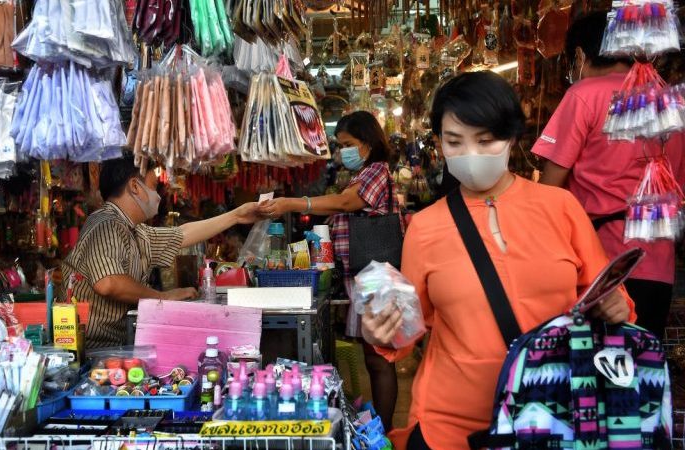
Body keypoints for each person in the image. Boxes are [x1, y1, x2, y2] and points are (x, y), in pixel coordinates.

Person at [361, 71, 637, 450]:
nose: (470, 155)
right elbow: (409, 328)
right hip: (452, 427)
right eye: (454, 142)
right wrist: (382, 333)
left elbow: (610, 293)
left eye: (486, 140)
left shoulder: (561, 208)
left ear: (511, 138)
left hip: (551, 417)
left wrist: (616, 306)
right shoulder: (424, 227)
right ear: (439, 143)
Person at [532, 12, 685, 338]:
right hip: (658, 266)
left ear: (579, 56)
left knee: (596, 373)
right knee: (642, 371)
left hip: (601, 266)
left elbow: (548, 191)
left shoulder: (585, 94)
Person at [259, 111, 401, 431]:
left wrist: (293, 204)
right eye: (339, 146)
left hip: (377, 276)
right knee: (373, 358)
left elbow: (344, 204)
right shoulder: (364, 172)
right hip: (364, 277)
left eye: (348, 144)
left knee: (380, 359)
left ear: (367, 143)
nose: (342, 152)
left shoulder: (376, 171)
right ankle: (381, 424)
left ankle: (387, 430)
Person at [61, 153, 261, 349]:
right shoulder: (106, 224)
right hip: (90, 351)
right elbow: (108, 283)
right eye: (154, 186)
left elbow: (182, 234)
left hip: (115, 346)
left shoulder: (136, 231)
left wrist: (236, 216)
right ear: (134, 187)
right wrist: (162, 297)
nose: (157, 195)